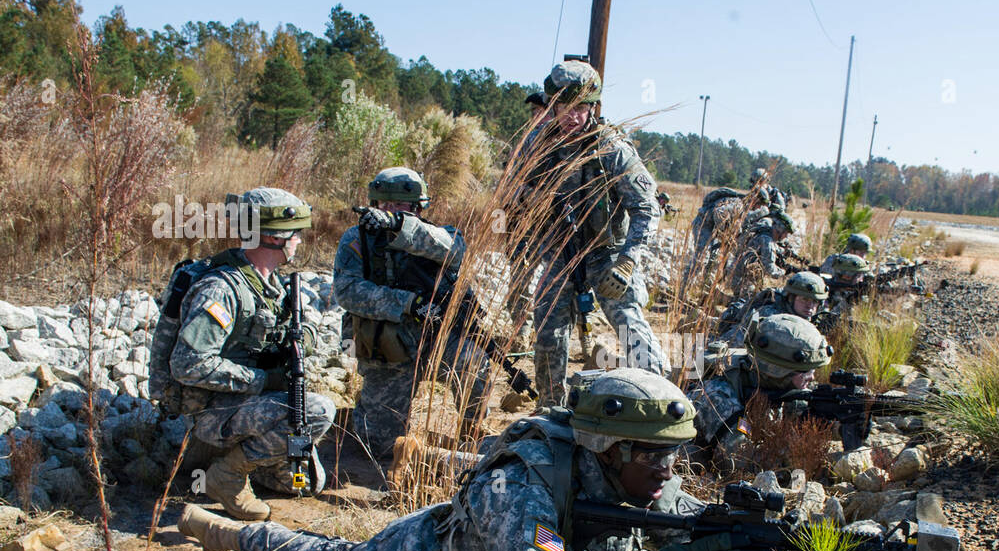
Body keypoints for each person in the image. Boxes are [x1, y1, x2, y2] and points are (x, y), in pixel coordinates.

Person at [62, 370, 775, 551]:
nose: (668, 473)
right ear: (608, 449)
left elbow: (674, 511)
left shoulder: (625, 480)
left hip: (435, 538)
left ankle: (218, 528)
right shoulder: (524, 496)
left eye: (673, 460)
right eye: (655, 458)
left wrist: (727, 531)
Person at [163, 187, 336, 520]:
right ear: (272, 238)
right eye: (294, 234)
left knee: (304, 484)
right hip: (215, 408)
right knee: (317, 410)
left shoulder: (270, 283)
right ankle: (227, 474)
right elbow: (188, 364)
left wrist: (303, 340)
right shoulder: (222, 289)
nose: (298, 241)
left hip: (246, 404)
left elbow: (279, 334)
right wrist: (262, 379)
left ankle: (256, 462)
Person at [516, 60, 667, 406]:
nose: (573, 117)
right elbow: (510, 194)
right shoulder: (537, 146)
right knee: (548, 334)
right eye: (565, 108)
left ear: (594, 107)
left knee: (630, 325)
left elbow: (647, 208)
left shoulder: (611, 148)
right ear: (552, 107)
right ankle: (550, 409)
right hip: (558, 253)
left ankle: (659, 402)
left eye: (582, 108)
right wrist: (532, 198)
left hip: (608, 254)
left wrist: (628, 262)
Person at [333, 166, 491, 458]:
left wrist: (397, 225)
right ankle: (360, 411)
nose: (390, 210)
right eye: (384, 205)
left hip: (438, 340)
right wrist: (406, 303)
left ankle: (472, 433)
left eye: (401, 206)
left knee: (475, 364)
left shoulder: (439, 236)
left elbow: (456, 251)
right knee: (378, 448)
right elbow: (347, 292)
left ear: (418, 207)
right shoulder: (356, 239)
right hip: (389, 346)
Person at [687, 314, 831, 472]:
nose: (812, 377)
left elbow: (797, 409)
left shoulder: (776, 384)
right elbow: (740, 462)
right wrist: (799, 455)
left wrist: (830, 425)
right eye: (804, 372)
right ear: (777, 371)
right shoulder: (721, 397)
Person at [713, 271, 829, 346]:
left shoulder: (809, 320)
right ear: (790, 298)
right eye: (804, 299)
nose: (810, 306)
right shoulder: (768, 315)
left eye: (815, 302)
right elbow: (732, 341)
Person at [726, 208, 799, 299]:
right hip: (743, 282)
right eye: (786, 233)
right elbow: (770, 270)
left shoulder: (764, 231)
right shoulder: (767, 241)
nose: (786, 236)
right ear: (780, 230)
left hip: (741, 276)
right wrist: (785, 271)